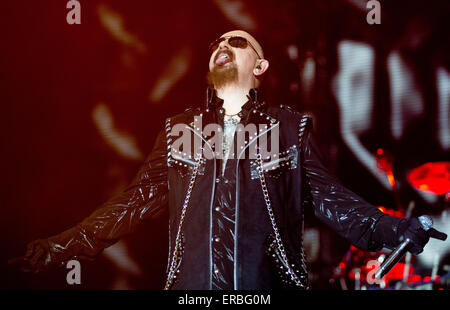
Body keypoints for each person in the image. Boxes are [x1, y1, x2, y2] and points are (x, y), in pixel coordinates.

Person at [10, 30, 445, 290]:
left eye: (237, 42)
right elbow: (133, 203)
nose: (224, 45)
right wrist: (58, 247)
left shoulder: (288, 131)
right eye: (218, 43)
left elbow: (334, 203)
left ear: (261, 66)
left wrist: (395, 227)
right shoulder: (180, 131)